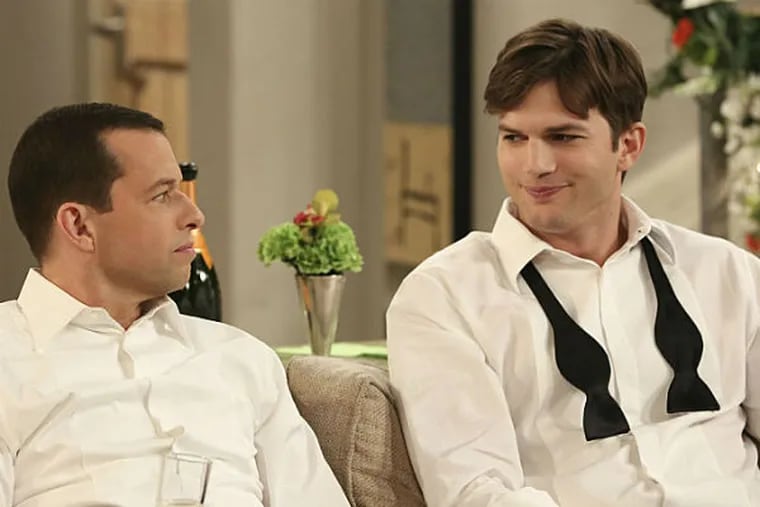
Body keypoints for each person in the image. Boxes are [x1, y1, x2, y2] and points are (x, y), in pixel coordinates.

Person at [387, 18, 760, 507]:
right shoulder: (445, 298)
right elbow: (476, 492)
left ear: (628, 145)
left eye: (562, 137)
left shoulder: (728, 273)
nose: (535, 165)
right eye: (514, 138)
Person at [0, 102, 350, 507]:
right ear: (79, 226)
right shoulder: (9, 360)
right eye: (162, 195)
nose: (194, 214)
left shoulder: (243, 360)